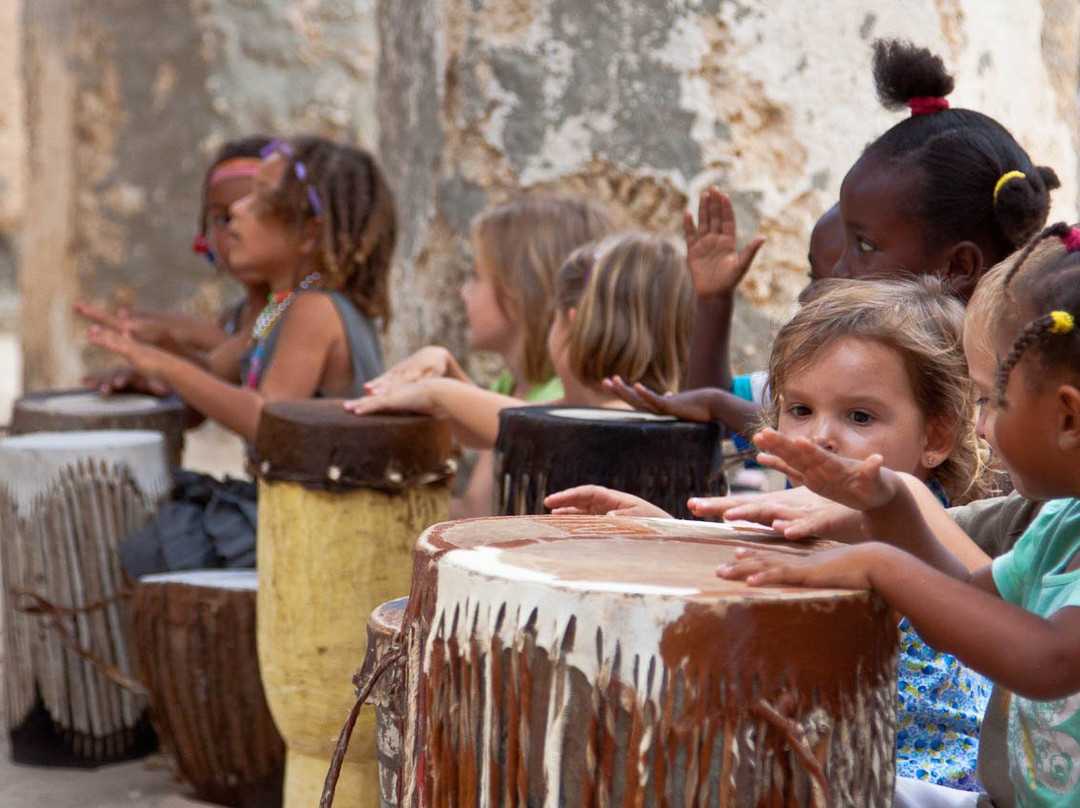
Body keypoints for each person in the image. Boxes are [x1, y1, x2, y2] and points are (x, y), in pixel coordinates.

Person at [548, 275, 995, 790]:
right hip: (818, 772)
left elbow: (985, 602)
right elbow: (746, 578)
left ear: (935, 436)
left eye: (860, 416)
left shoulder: (920, 522)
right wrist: (662, 533)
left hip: (918, 786)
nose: (820, 437)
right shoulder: (800, 520)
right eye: (800, 410)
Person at [718, 222, 1080, 807]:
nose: (980, 425)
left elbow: (1048, 661)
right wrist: (888, 506)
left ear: (1068, 419)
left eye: (992, 401)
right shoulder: (1062, 525)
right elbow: (965, 600)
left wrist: (883, 566)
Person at [681, 37, 1059, 435]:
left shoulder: (999, 401)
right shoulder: (840, 360)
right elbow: (702, 412)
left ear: (957, 267)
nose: (840, 270)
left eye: (864, 245)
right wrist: (712, 301)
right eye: (803, 412)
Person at [83, 135, 395, 445]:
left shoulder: (315, 310)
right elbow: (214, 372)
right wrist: (158, 345)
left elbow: (266, 419)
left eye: (259, 200)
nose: (238, 210)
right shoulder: (280, 307)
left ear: (309, 234)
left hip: (331, 495)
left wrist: (165, 366)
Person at [345, 230, 695, 463]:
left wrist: (440, 392)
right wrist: (445, 367)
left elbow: (527, 425)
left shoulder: (623, 417)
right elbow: (499, 427)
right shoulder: (582, 408)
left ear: (571, 321)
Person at [362, 197, 614, 517]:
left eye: (476, 276)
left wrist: (439, 392)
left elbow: (535, 429)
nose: (463, 292)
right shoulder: (513, 385)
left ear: (521, 292)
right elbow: (484, 450)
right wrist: (446, 369)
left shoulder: (563, 397)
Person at [76, 136, 274, 394]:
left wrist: (194, 339)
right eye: (223, 218)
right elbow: (211, 387)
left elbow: (259, 415)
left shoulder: (296, 307)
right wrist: (153, 377)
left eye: (258, 212)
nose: (237, 226)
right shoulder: (247, 316)